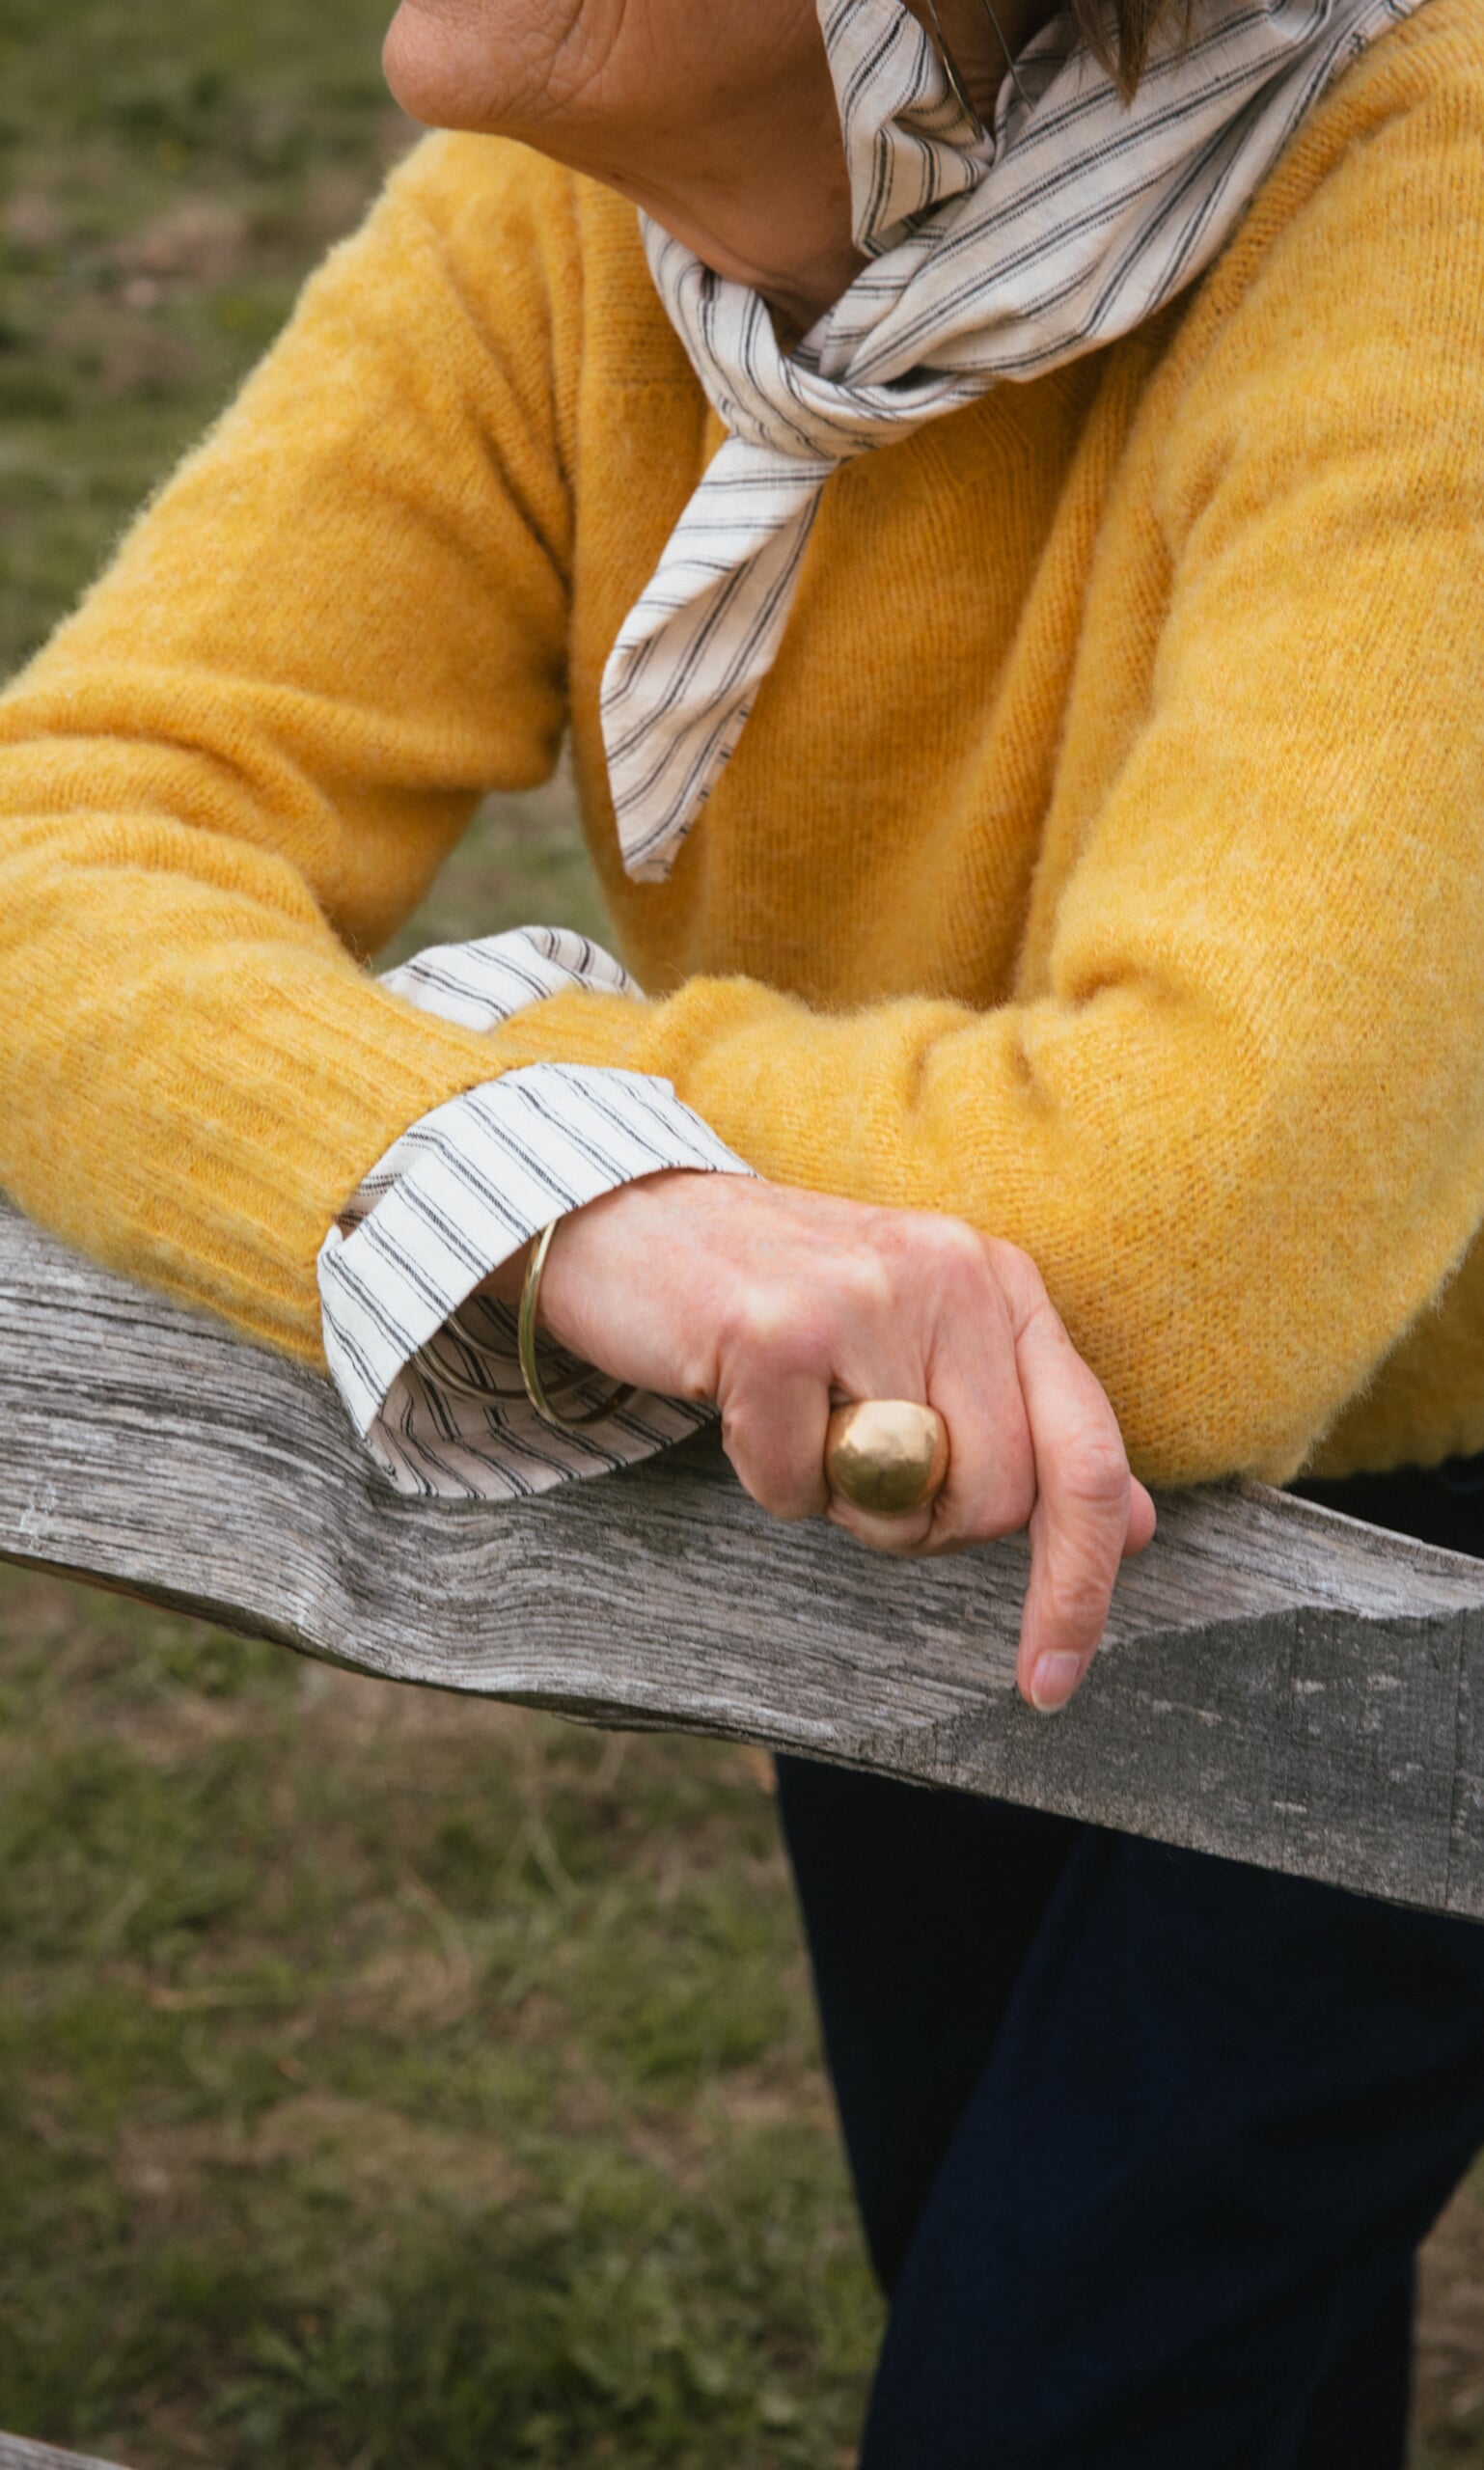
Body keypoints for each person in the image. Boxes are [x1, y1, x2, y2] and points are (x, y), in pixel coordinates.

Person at [1, 0, 1482, 2456]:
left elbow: (1192, 1231)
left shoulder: (1421, 192)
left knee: (1057, 2382)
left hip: (1428, 1481)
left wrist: (527, 1099)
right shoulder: (578, 205)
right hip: (855, 1412)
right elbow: (59, 847)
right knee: (1043, 2279)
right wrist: (597, 1208)